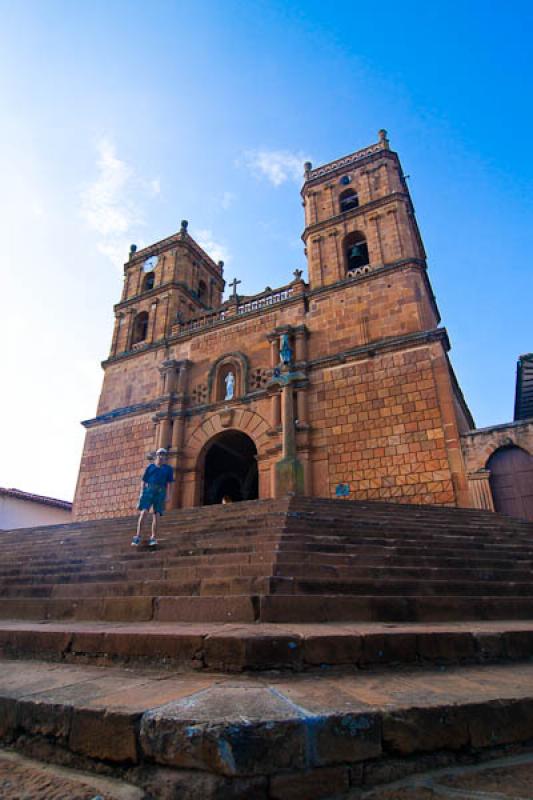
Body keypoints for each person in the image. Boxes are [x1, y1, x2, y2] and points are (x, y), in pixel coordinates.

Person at [131, 448, 174, 547]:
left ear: (165, 457)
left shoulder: (168, 469)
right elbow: (143, 481)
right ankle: (137, 536)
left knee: (157, 514)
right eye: (160, 454)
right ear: (156, 455)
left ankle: (153, 537)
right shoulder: (150, 467)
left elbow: (170, 483)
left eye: (163, 455)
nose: (161, 456)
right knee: (143, 513)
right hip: (148, 490)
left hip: (160, 492)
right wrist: (141, 493)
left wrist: (168, 495)